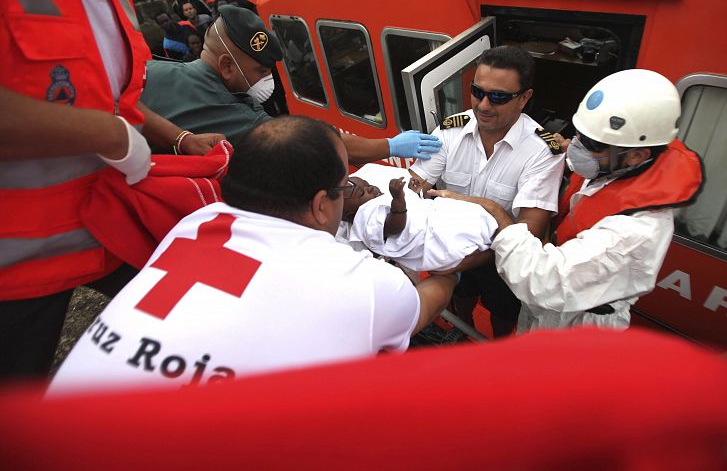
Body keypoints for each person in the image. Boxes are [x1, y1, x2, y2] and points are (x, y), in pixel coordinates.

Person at [48, 116, 457, 394]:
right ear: (320, 205)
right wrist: (454, 269)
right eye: (344, 184)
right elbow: (419, 308)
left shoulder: (196, 223)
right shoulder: (365, 284)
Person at [0, 0, 230, 381]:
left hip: (108, 220)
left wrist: (177, 138)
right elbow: (105, 122)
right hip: (18, 263)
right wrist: (107, 135)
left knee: (202, 325)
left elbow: (108, 97)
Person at [435, 69, 704, 331]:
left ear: (637, 156)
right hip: (546, 306)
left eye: (593, 145)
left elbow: (544, 282)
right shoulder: (612, 167)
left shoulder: (637, 230)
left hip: (576, 320)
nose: (578, 147)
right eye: (580, 136)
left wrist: (496, 212)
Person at [141, 5, 443, 161]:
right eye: (259, 70)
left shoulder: (149, 70)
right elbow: (312, 144)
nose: (266, 79)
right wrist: (389, 145)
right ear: (226, 66)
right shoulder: (230, 111)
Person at [408, 46, 565, 337]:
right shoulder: (450, 131)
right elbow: (416, 184)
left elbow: (528, 232)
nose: (483, 105)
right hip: (451, 248)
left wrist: (467, 251)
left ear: (524, 98)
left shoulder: (543, 152)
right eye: (477, 92)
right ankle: (461, 330)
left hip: (503, 259)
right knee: (460, 299)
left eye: (498, 97)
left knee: (503, 315)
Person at [336, 164, 497, 272]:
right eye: (362, 192)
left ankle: (491, 232)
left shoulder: (374, 202)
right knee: (460, 231)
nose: (370, 189)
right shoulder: (363, 218)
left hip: (430, 217)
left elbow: (412, 210)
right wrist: (398, 199)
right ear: (350, 216)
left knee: (465, 215)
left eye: (367, 184)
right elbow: (395, 226)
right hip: (428, 237)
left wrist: (413, 193)